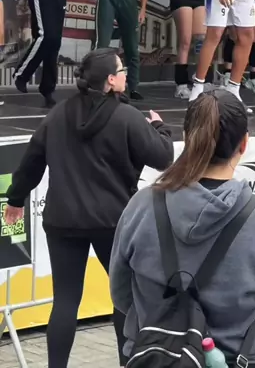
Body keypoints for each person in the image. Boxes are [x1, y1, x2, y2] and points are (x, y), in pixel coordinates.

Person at [110, 89, 255, 367]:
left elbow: (121, 294)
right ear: (244, 143)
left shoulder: (141, 206)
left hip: (155, 358)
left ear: (186, 138)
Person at [3, 48, 174, 368]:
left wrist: (15, 199)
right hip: (112, 222)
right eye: (121, 70)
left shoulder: (58, 114)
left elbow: (32, 160)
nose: (125, 74)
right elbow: (163, 158)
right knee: (124, 298)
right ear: (110, 80)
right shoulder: (127, 117)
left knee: (65, 300)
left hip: (62, 220)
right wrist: (160, 128)